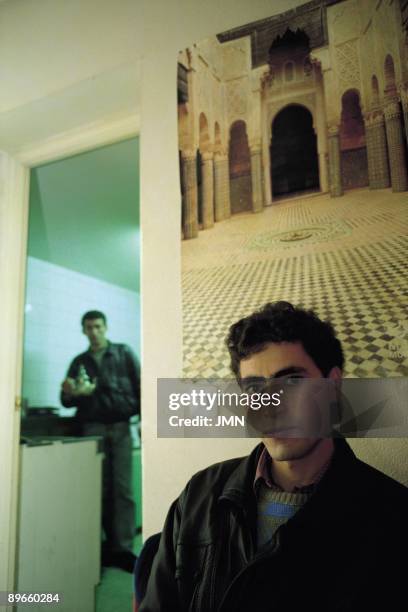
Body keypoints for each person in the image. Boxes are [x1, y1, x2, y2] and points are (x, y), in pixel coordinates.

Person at [139, 301, 407, 611]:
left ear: (333, 385)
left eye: (292, 381)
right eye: (254, 389)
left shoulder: (393, 518)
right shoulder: (200, 495)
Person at [61, 310, 140, 573]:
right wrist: (71, 392)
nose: (93, 331)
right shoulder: (78, 361)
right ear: (83, 330)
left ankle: (124, 548)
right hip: (91, 428)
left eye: (97, 326)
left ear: (105, 327)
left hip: (120, 428)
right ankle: (104, 547)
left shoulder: (123, 353)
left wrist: (144, 421)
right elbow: (66, 400)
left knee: (123, 490)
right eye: (88, 327)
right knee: (97, 489)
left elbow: (141, 387)